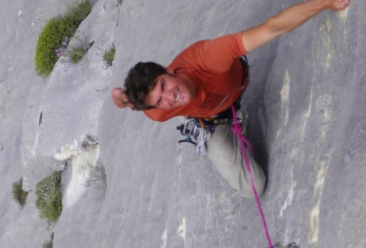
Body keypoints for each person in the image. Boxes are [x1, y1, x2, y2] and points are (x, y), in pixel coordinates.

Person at [111, 0, 350, 198]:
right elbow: (135, 103)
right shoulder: (158, 110)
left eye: (164, 84)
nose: (170, 96)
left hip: (236, 88)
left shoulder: (208, 58)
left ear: (169, 70)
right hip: (213, 119)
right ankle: (222, 125)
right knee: (253, 188)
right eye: (160, 99)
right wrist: (121, 99)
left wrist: (325, 3)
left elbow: (271, 27)